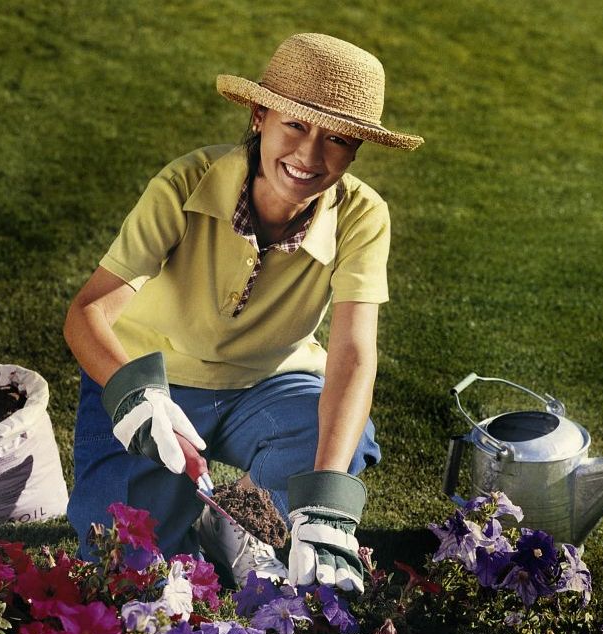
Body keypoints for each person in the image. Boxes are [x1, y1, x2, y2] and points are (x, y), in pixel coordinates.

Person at [64, 32, 422, 593]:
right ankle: (210, 528)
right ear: (260, 115)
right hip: (153, 379)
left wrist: (327, 499)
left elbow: (353, 354)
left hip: (270, 385)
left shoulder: (364, 216)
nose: (309, 156)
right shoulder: (184, 182)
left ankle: (256, 523)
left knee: (334, 442)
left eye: (337, 139)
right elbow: (86, 312)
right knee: (123, 562)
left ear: (355, 152)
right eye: (296, 125)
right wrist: (136, 398)